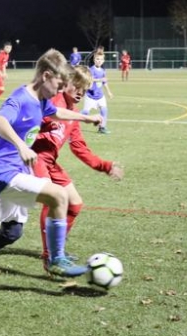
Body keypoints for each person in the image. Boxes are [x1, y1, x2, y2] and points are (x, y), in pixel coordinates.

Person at [0, 49, 103, 285]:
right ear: (46, 76)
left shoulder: (42, 101)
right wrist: (21, 146)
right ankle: (56, 259)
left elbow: (57, 112)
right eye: (59, 85)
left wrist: (86, 118)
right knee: (59, 195)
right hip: (2, 172)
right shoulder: (20, 98)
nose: (60, 91)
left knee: (11, 233)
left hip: (15, 171)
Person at [33, 65, 124, 269]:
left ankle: (57, 249)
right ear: (66, 82)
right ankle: (50, 255)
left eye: (85, 89)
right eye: (77, 86)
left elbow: (79, 148)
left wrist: (106, 166)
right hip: (34, 158)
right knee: (52, 199)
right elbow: (41, 117)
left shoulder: (73, 115)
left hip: (50, 162)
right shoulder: (53, 102)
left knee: (75, 204)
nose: (81, 92)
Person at [80, 48, 114, 134]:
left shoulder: (103, 71)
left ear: (103, 61)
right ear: (94, 60)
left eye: (101, 59)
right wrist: (100, 79)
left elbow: (104, 82)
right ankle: (71, 121)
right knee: (85, 112)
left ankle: (102, 127)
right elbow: (89, 79)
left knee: (104, 110)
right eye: (97, 59)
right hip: (90, 96)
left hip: (100, 96)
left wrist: (109, 92)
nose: (99, 61)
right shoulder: (91, 70)